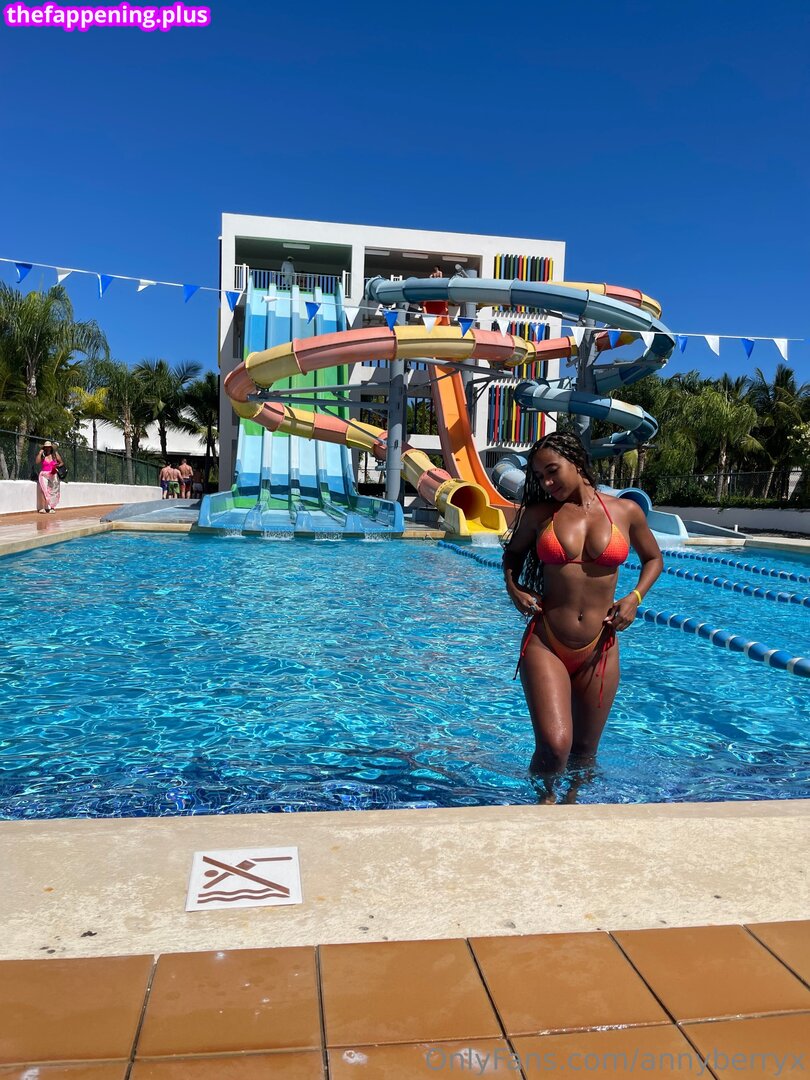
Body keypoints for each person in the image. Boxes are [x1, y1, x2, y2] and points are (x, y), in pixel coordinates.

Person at [502, 430, 663, 802]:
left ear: (576, 461)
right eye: (540, 476)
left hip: (599, 647)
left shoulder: (626, 512)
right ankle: (543, 804)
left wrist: (635, 597)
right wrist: (514, 588)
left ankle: (572, 807)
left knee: (585, 754)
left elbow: (654, 559)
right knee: (554, 747)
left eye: (552, 471)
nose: (547, 482)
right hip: (547, 642)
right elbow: (512, 555)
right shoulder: (541, 515)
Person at [35, 440, 64, 513]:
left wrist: (56, 466)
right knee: (43, 490)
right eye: (46, 447)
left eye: (49, 447)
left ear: (51, 448)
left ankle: (52, 508)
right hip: (44, 474)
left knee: (53, 491)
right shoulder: (42, 455)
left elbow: (61, 463)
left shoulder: (55, 455)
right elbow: (37, 462)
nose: (47, 448)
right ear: (44, 448)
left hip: (53, 474)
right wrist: (39, 453)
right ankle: (43, 508)